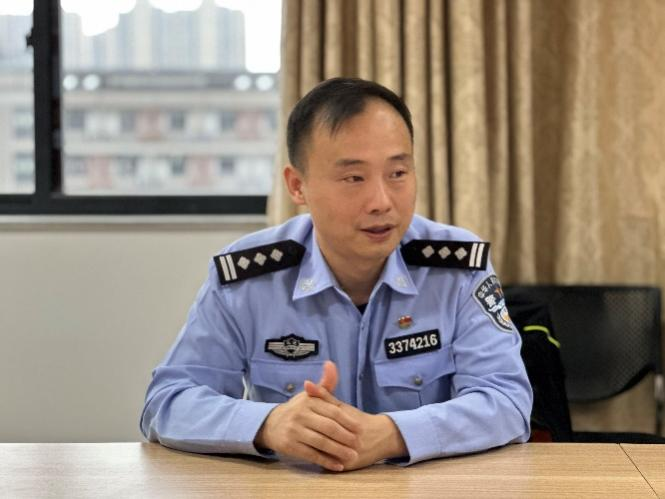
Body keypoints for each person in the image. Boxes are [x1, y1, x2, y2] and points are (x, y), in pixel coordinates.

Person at [140, 77, 532, 471]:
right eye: (354, 178)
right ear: (298, 186)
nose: (381, 202)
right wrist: (268, 424)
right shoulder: (249, 278)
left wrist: (392, 434)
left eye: (398, 173)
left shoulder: (456, 269)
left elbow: (507, 401)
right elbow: (167, 401)